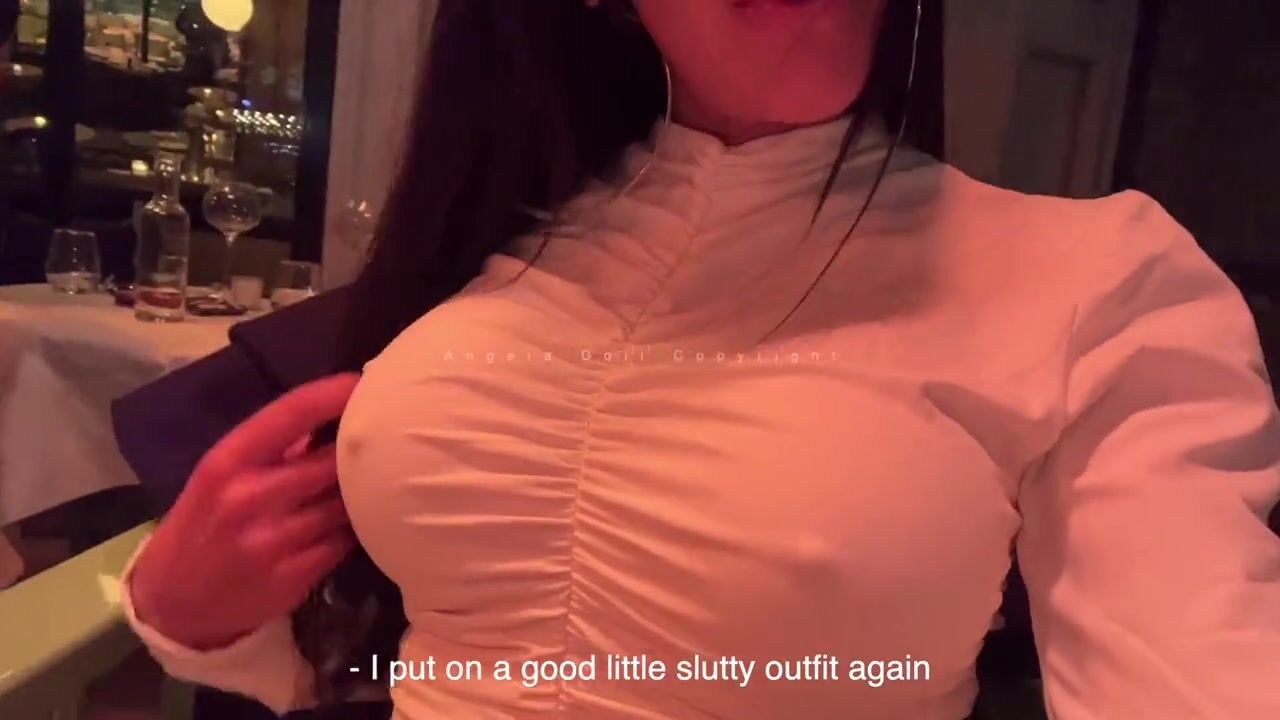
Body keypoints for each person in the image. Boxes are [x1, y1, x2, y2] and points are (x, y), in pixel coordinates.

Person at [118, 1, 1280, 718]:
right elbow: (407, 652)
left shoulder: (1092, 285)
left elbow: (1197, 674)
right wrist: (189, 616)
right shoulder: (489, 265)